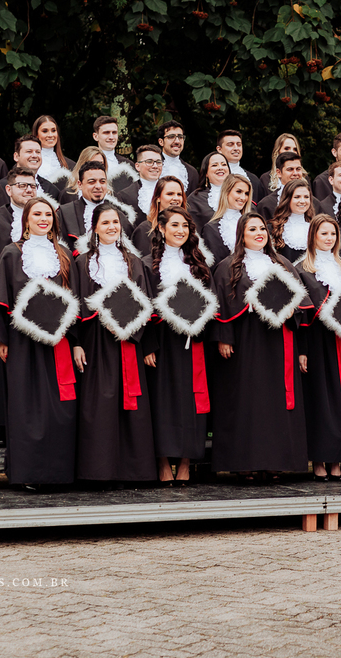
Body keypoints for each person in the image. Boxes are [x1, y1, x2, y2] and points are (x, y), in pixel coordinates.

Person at [0, 198, 78, 489]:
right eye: (37, 214)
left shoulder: (64, 255)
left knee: (61, 408)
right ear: (26, 219)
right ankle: (28, 474)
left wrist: (75, 341)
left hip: (58, 341)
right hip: (22, 343)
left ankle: (59, 474)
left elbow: (74, 300)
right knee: (26, 407)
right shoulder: (12, 253)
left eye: (48, 214)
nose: (43, 218)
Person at [210, 213, 313, 480]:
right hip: (246, 341)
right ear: (241, 235)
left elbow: (300, 302)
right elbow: (220, 304)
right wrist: (224, 336)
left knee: (275, 402)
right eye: (252, 229)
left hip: (278, 342)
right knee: (247, 400)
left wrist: (293, 311)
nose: (259, 233)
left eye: (262, 229)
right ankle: (244, 462)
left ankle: (275, 461)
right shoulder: (227, 266)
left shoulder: (283, 263)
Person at [70, 202, 157, 486]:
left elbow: (146, 303)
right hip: (95, 341)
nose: (111, 227)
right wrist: (76, 343)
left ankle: (133, 472)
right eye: (105, 222)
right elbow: (75, 304)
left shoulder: (134, 262)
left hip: (129, 339)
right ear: (94, 227)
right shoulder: (82, 263)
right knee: (100, 404)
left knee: (132, 405)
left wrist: (129, 325)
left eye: (115, 222)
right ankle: (99, 471)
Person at [0, 165, 43, 442]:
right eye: (22, 185)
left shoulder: (45, 218)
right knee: (2, 366)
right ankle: (4, 428)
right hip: (1, 304)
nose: (28, 190)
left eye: (32, 185)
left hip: (38, 307)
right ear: (9, 190)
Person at [296, 214, 341, 481]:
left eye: (333, 234)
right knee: (320, 403)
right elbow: (302, 314)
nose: (329, 238)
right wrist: (302, 350)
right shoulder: (302, 268)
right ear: (313, 235)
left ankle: (337, 459)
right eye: (323, 233)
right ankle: (319, 460)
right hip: (317, 342)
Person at [147, 207, 215, 485]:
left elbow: (211, 302)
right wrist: (148, 345)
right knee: (162, 401)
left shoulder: (199, 264)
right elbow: (144, 305)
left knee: (190, 402)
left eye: (185, 226)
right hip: (162, 341)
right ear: (162, 228)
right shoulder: (148, 265)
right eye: (175, 225)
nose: (180, 230)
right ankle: (163, 462)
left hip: (193, 341)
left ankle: (186, 462)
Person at [58, 161, 134, 253]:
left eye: (102, 182)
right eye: (92, 182)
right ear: (80, 185)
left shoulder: (119, 214)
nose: (98, 186)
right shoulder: (64, 213)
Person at [199, 174, 253, 265]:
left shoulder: (254, 223)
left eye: (246, 193)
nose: (243, 198)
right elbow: (214, 265)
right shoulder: (211, 228)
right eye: (239, 191)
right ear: (226, 192)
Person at [129, 176, 188, 256]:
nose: (176, 198)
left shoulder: (188, 228)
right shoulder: (145, 229)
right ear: (158, 198)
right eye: (170, 194)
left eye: (179, 194)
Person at [257, 152, 316, 219]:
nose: (295, 173)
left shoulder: (315, 203)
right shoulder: (266, 205)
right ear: (279, 173)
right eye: (290, 169)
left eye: (298, 169)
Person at [268, 178, 315, 263]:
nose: (302, 201)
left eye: (306, 197)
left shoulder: (316, 227)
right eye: (297, 197)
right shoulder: (272, 228)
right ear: (287, 199)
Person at [116, 144, 167, 219]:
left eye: (158, 162)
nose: (155, 166)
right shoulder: (125, 196)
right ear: (137, 166)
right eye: (149, 162)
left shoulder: (171, 190)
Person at [11, 134, 64, 206]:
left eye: (38, 152)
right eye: (29, 151)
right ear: (16, 156)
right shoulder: (2, 186)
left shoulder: (52, 190)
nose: (34, 155)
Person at [216, 129, 266, 202]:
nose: (236, 148)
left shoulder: (254, 180)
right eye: (230, 144)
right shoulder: (211, 176)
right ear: (219, 149)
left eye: (239, 144)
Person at [92, 115, 138, 193]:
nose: (111, 137)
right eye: (106, 133)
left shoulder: (128, 166)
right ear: (96, 136)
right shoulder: (85, 162)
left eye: (114, 132)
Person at [188, 151, 231, 231]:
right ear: (206, 173)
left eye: (224, 164)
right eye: (214, 165)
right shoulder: (195, 199)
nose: (220, 168)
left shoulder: (240, 194)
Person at [156, 120, 201, 191]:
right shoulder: (150, 167)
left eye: (180, 137)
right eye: (171, 137)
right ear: (161, 142)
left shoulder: (192, 172)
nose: (177, 141)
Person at [31, 115, 73, 186]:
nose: (50, 135)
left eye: (53, 131)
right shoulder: (25, 163)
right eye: (45, 131)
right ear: (36, 135)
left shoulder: (70, 165)